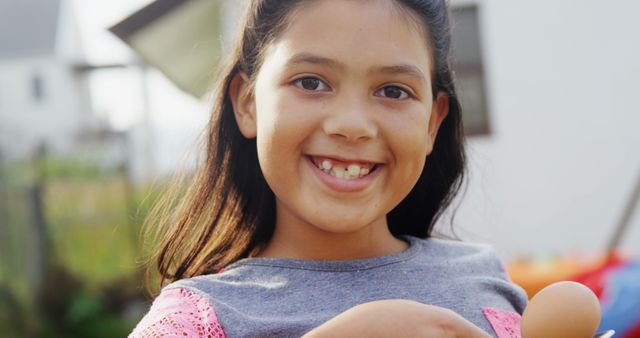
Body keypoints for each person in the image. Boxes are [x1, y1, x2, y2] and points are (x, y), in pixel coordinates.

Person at [130, 0, 528, 337]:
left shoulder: (483, 277)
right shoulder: (194, 320)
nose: (352, 125)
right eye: (310, 82)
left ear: (431, 123)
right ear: (248, 103)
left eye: (393, 91)